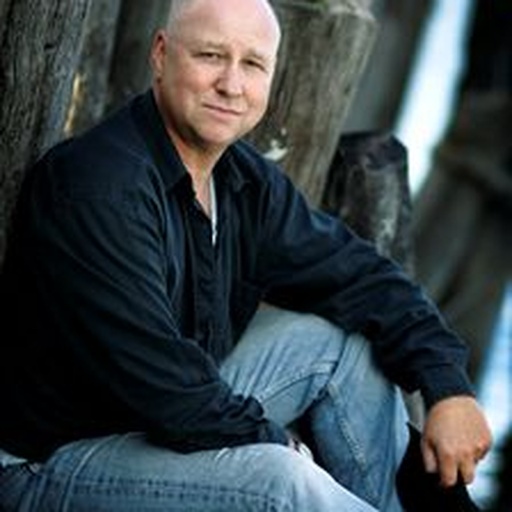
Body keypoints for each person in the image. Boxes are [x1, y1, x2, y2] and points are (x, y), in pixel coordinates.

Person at [0, 0, 491, 510]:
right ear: (161, 54)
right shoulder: (102, 188)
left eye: (252, 63)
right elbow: (168, 393)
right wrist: (281, 444)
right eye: (211, 56)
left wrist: (448, 386)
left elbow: (364, 278)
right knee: (282, 481)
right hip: (49, 461)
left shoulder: (241, 180)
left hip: (145, 419)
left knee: (339, 345)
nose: (232, 84)